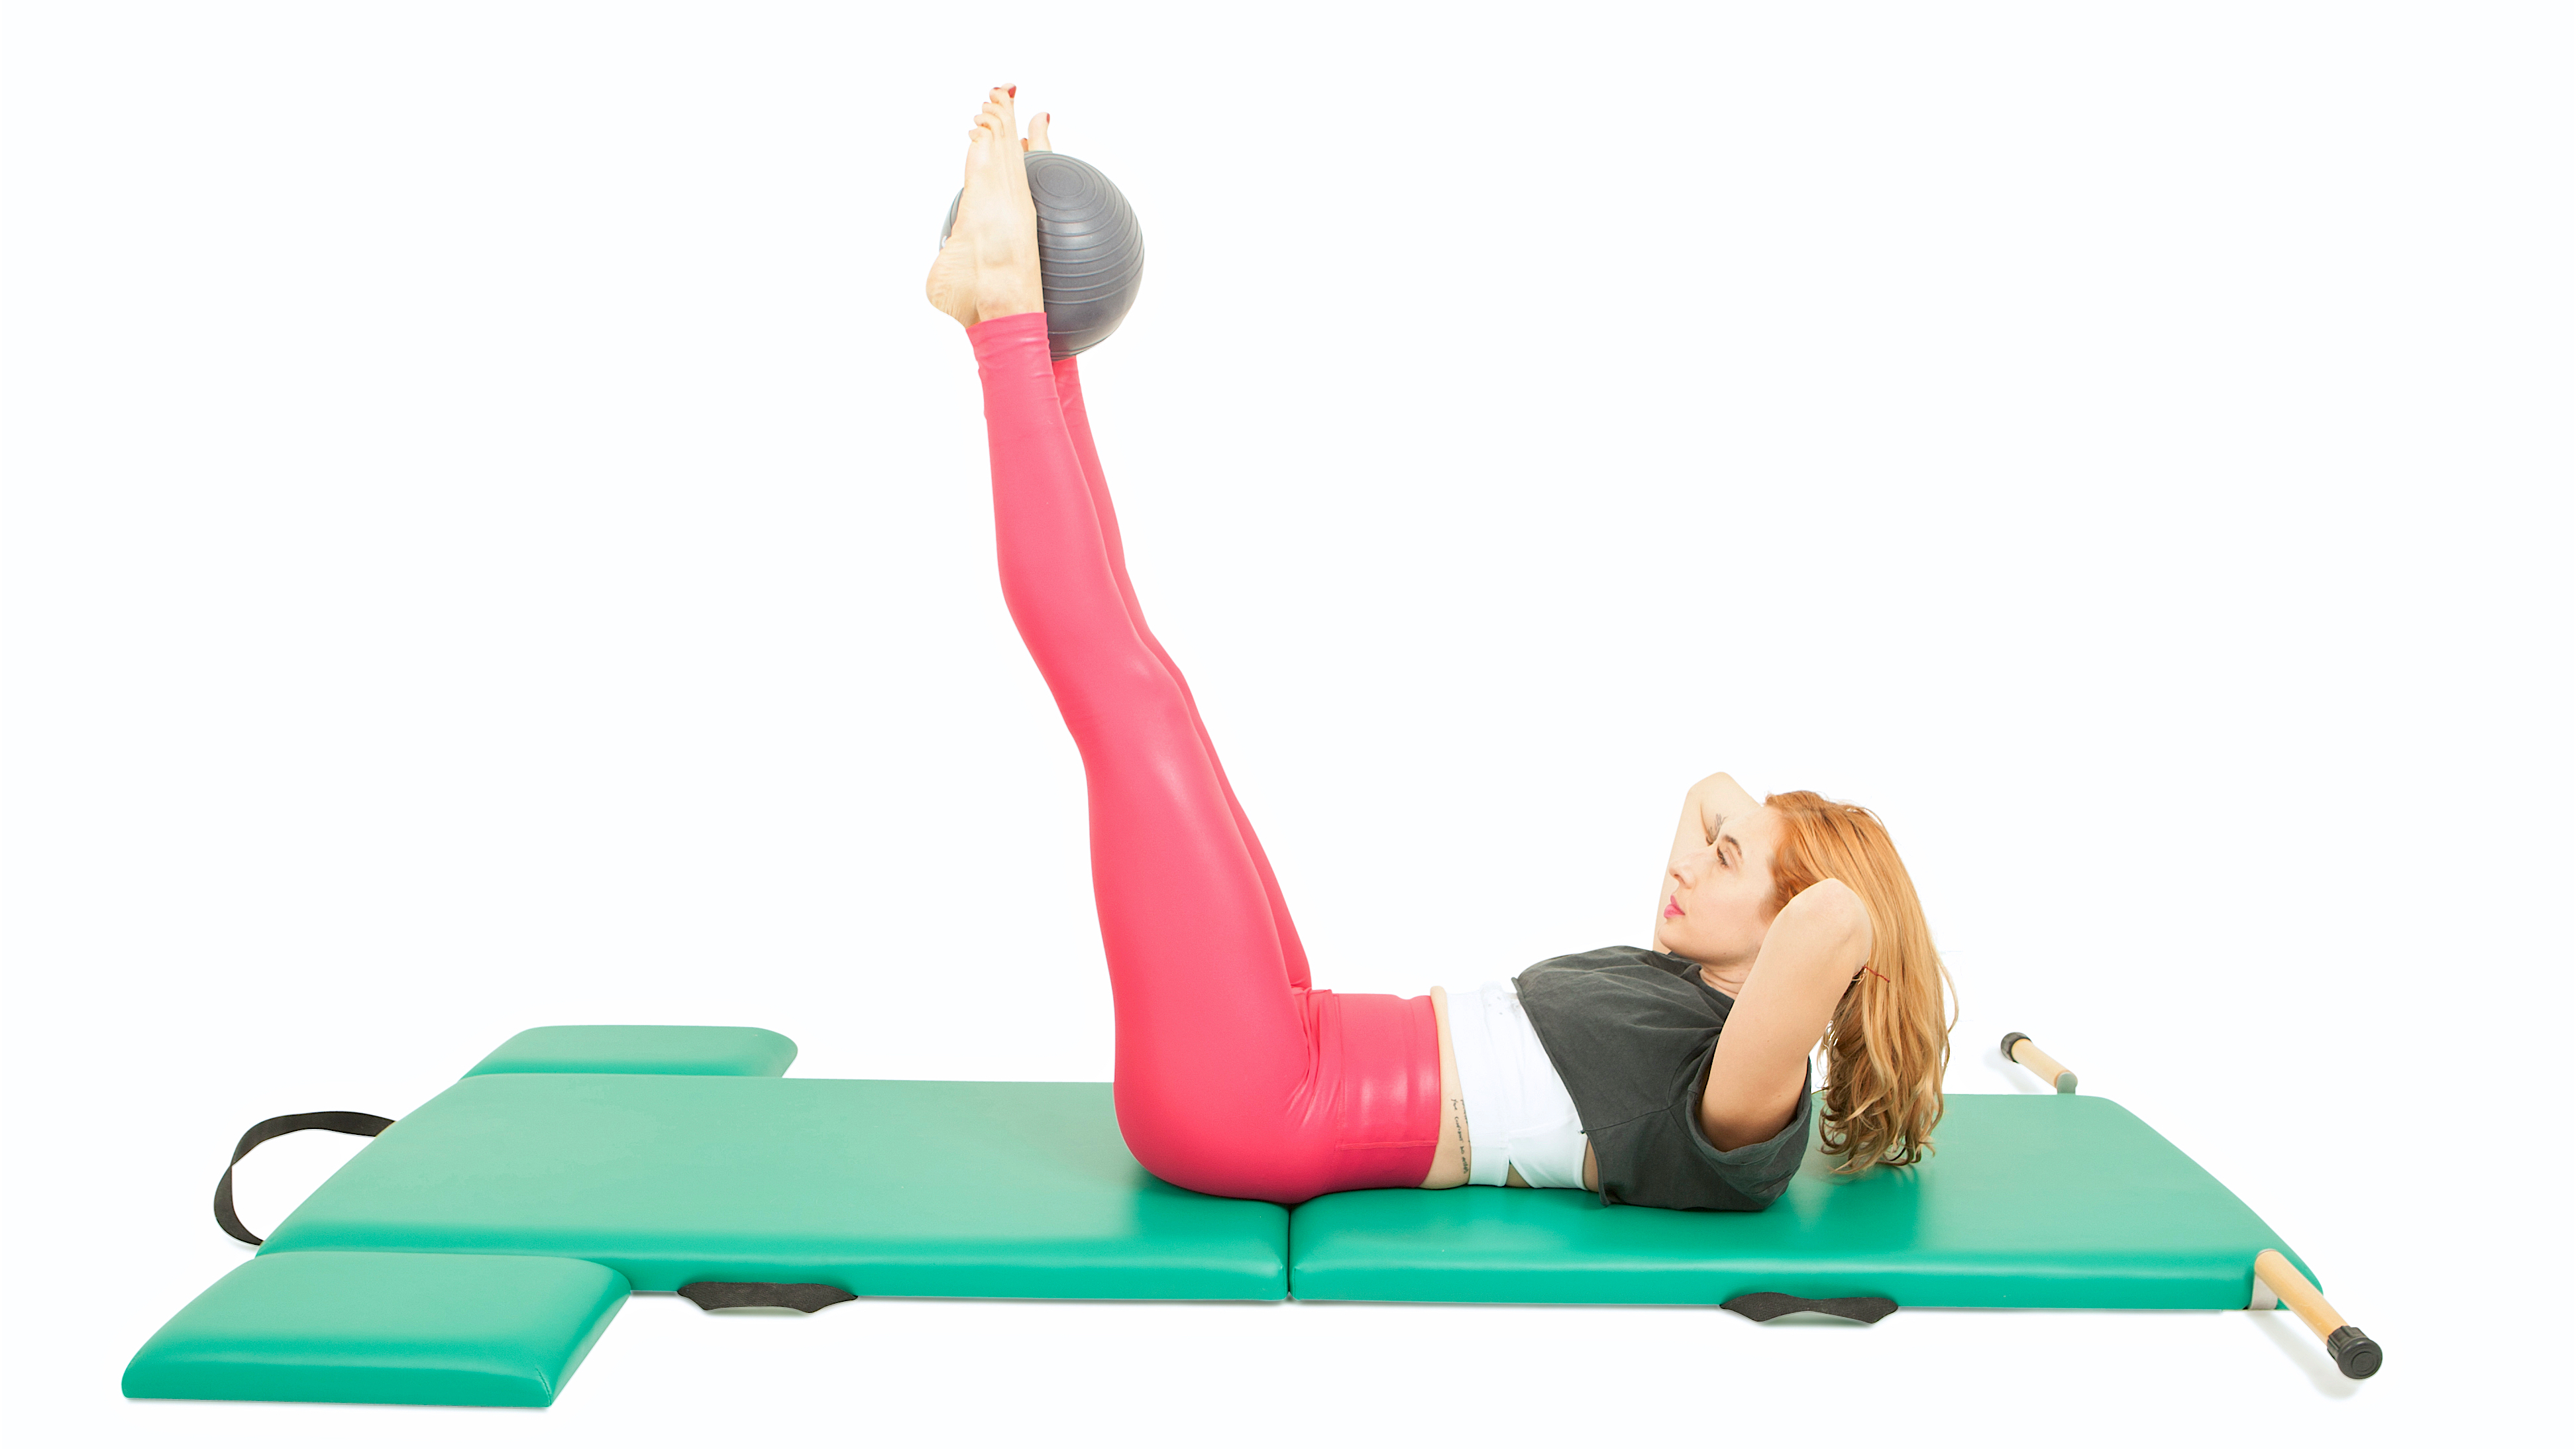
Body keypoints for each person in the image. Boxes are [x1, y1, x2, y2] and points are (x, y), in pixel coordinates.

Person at [924, 86, 1954, 1210]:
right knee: (1154, 679)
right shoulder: (1683, 981)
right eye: (1712, 853)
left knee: (1129, 705)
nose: (1687, 862)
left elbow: (1834, 921)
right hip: (1294, 1043)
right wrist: (1760, 847)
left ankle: (1004, 319)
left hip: (1262, 1106)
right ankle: (1039, 342)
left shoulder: (1739, 1101)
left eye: (1727, 864)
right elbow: (1713, 790)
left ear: (1793, 930)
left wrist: (1840, 899)